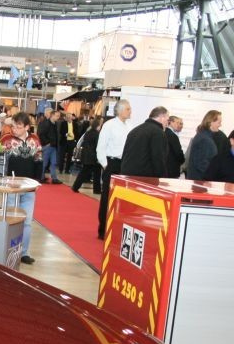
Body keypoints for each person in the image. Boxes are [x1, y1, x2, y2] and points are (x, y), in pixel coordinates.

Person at [0, 112, 43, 265]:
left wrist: (37, 182)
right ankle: (7, 250)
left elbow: (39, 161)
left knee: (27, 222)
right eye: (13, 126)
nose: (14, 130)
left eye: (18, 127)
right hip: (11, 187)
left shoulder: (35, 140)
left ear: (27, 127)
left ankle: (24, 253)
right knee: (11, 219)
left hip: (29, 188)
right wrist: (2, 179)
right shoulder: (6, 140)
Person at [95, 99, 134, 239]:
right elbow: (101, 147)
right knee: (107, 198)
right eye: (128, 109)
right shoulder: (109, 125)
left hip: (125, 165)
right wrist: (106, 165)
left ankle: (117, 229)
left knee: (122, 199)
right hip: (111, 164)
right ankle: (103, 229)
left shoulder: (130, 126)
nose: (130, 111)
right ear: (120, 110)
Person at [120, 106, 169, 178]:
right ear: (162, 117)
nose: (167, 124)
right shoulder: (158, 133)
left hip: (127, 175)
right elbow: (158, 158)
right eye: (167, 120)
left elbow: (125, 154)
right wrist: (163, 177)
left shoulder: (135, 130)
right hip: (144, 177)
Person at [185, 110, 222, 181]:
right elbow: (202, 164)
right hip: (200, 181)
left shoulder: (204, 136)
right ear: (211, 122)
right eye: (219, 122)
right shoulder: (205, 139)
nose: (220, 125)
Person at [72, 116, 103, 194]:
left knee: (84, 172)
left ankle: (75, 186)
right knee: (96, 173)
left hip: (86, 155)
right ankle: (96, 190)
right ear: (98, 125)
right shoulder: (96, 134)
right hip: (93, 156)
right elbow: (97, 146)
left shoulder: (88, 132)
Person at [36, 108, 61, 183]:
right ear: (52, 115)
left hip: (54, 146)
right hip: (48, 146)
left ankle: (54, 178)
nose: (58, 117)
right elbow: (40, 134)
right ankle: (41, 177)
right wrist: (47, 143)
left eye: (59, 116)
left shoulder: (55, 124)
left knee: (54, 163)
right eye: (57, 116)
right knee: (44, 163)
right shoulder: (46, 123)